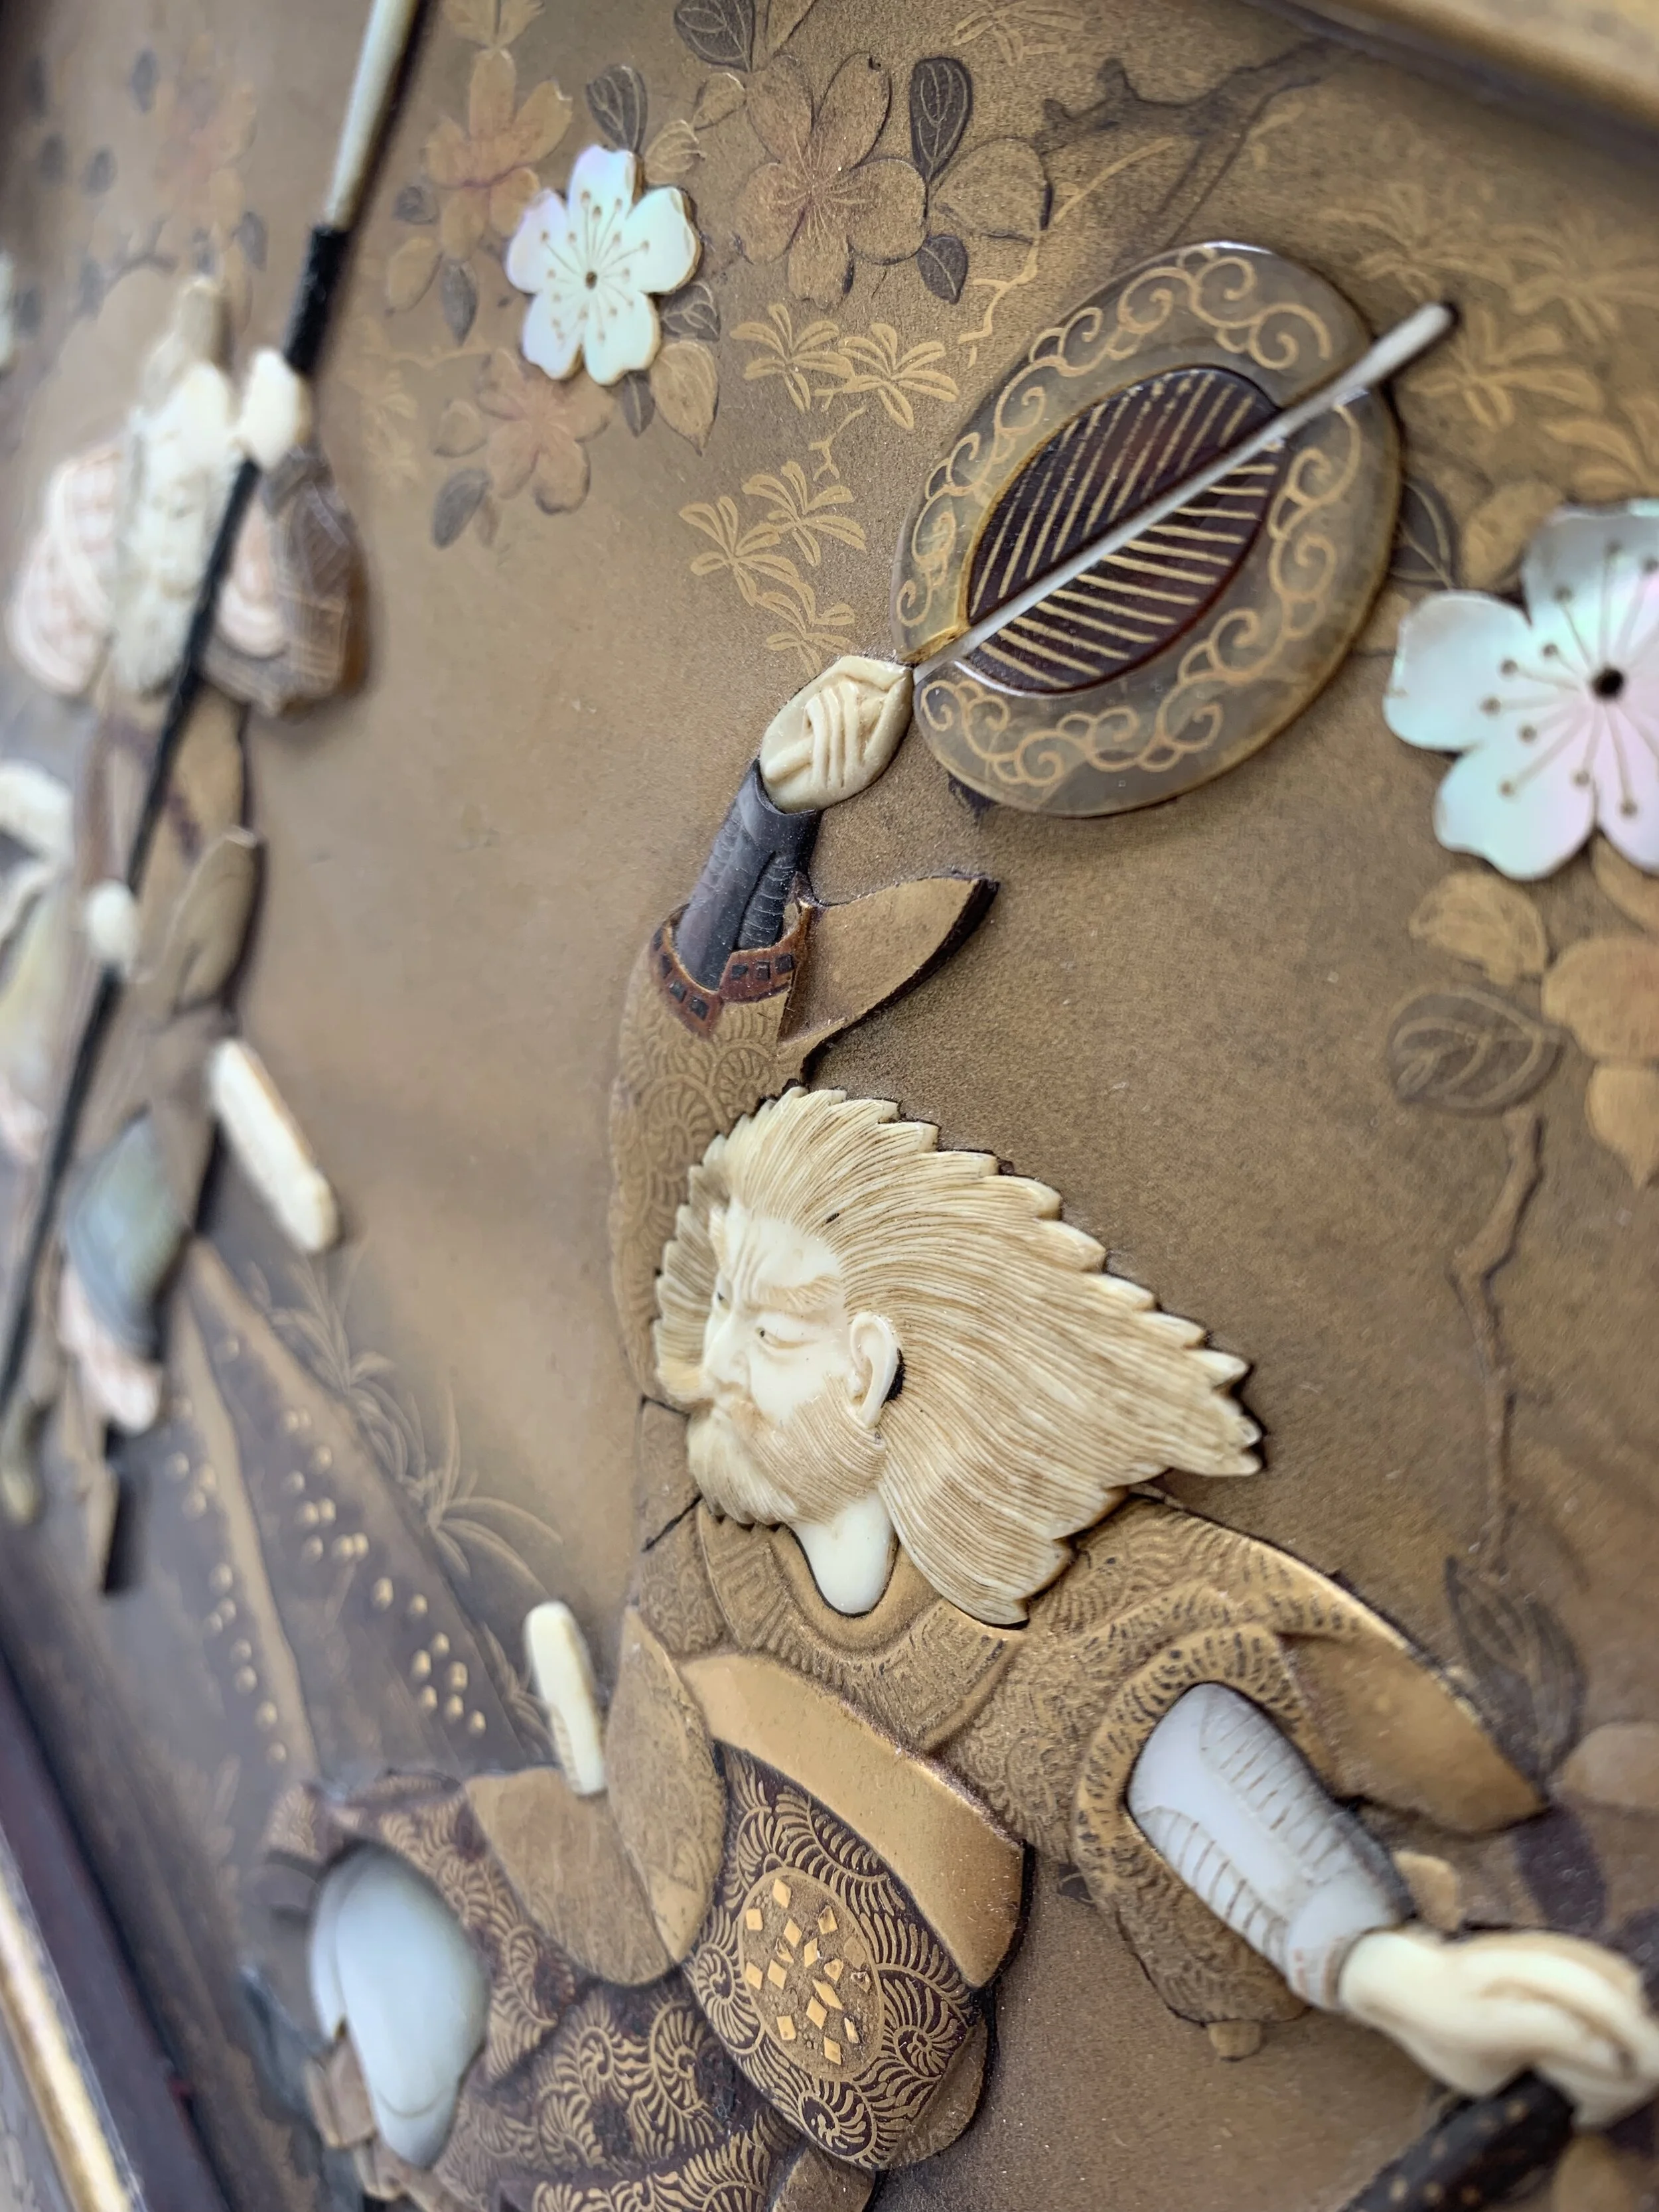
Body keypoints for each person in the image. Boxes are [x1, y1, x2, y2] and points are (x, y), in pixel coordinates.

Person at [267, 658, 1659, 2212]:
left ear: (873, 1368)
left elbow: (1170, 1746)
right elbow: (669, 1123)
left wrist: (1382, 1966)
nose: (711, 1356)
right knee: (388, 1984)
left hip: (735, 2125)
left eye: (767, 1328)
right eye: (716, 1308)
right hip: (571, 1918)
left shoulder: (1003, 1651)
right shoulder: (702, 1472)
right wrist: (768, 814)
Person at [0, 275, 361, 1555]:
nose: (160, 540)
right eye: (150, 509)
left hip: (172, 990)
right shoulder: (119, 659)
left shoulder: (226, 655)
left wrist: (289, 469)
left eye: (181, 516)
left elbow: (314, 659)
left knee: (153, 1144)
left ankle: (87, 1330)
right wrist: (97, 887)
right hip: (87, 943)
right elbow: (101, 768)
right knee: (33, 1081)